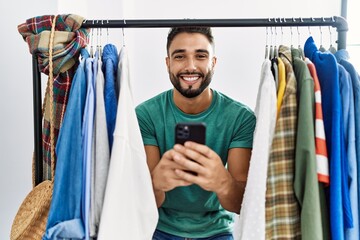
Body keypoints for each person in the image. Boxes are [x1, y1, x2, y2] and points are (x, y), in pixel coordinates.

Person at [135, 26, 256, 240]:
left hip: (218, 231)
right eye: (180, 56)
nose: (190, 66)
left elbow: (241, 206)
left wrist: (223, 182)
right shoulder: (145, 115)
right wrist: (155, 184)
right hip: (159, 230)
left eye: (200, 56)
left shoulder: (240, 117)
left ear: (213, 63)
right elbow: (141, 205)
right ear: (168, 63)